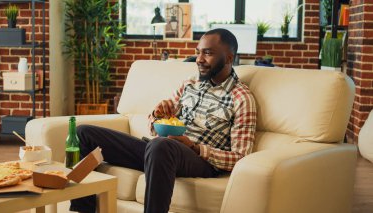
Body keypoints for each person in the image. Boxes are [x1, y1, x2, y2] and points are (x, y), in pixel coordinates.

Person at [70, 28, 257, 213]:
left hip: (200, 160)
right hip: (160, 152)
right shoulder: (190, 84)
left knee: (160, 146)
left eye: (208, 53)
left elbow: (241, 157)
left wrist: (195, 148)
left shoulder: (241, 98)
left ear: (230, 58)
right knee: (84, 134)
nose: (199, 59)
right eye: (198, 52)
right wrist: (158, 114)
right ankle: (82, 210)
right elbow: (156, 127)